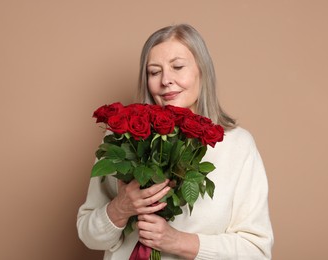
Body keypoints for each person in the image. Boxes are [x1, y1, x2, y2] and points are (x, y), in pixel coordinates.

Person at [77, 24, 274, 259]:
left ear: (202, 71)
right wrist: (120, 208)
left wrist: (179, 242)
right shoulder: (121, 140)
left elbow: (257, 252)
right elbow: (88, 235)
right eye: (154, 71)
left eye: (178, 67)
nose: (166, 80)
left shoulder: (238, 146)